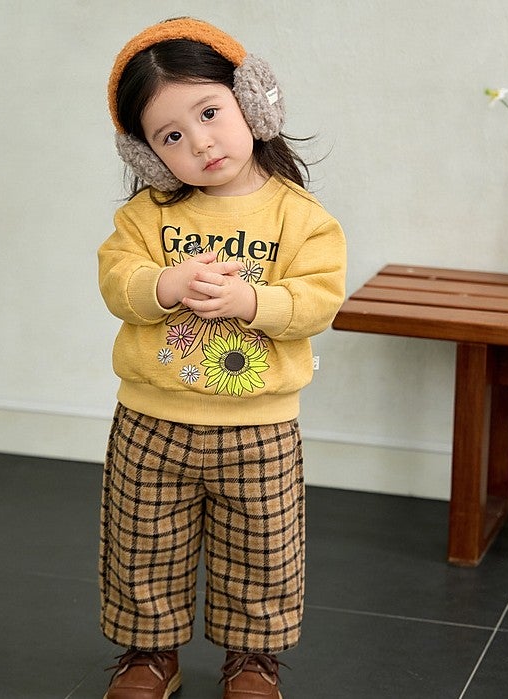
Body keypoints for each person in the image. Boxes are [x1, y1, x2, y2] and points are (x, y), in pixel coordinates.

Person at [97, 17, 346, 699]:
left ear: (253, 102)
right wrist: (163, 284)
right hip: (151, 421)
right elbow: (117, 281)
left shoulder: (301, 218)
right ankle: (149, 654)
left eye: (209, 113)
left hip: (259, 427)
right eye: (170, 136)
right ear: (149, 155)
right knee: (143, 544)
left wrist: (251, 301)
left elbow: (318, 301)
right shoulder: (145, 218)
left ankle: (253, 660)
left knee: (261, 552)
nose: (200, 142)